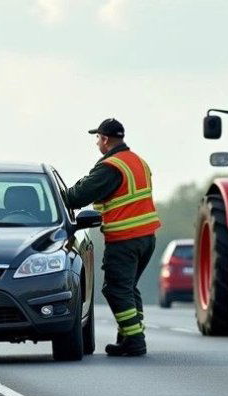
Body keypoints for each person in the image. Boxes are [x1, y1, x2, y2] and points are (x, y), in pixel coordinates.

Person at [66, 118, 161, 357]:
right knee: (127, 288)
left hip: (125, 238)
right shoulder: (138, 161)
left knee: (116, 289)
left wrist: (59, 195)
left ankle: (135, 340)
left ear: (105, 139)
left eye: (97, 138)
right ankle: (130, 335)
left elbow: (79, 196)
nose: (97, 142)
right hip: (146, 236)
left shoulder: (111, 166)